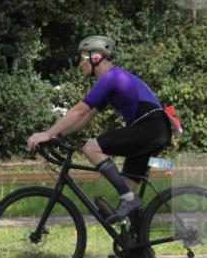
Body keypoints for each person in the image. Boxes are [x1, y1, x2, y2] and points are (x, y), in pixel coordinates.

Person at [26, 35, 171, 223]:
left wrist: (47, 133)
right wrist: (57, 134)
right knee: (125, 199)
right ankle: (136, 247)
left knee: (91, 147)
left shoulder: (110, 77)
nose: (80, 64)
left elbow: (79, 111)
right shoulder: (112, 80)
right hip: (153, 130)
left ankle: (129, 199)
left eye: (83, 58)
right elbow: (86, 117)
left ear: (96, 57)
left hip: (149, 128)